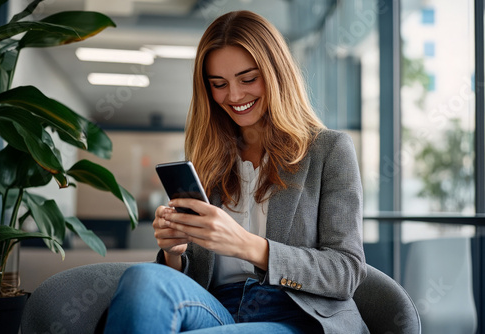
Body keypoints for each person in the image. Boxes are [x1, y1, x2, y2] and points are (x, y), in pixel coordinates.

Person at [104, 10, 368, 334]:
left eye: (247, 79)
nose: (234, 96)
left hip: (294, 313)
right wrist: (174, 254)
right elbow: (192, 279)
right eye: (219, 84)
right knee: (142, 278)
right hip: (217, 309)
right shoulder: (207, 159)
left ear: (276, 74)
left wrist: (247, 245)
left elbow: (346, 271)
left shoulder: (330, 150)